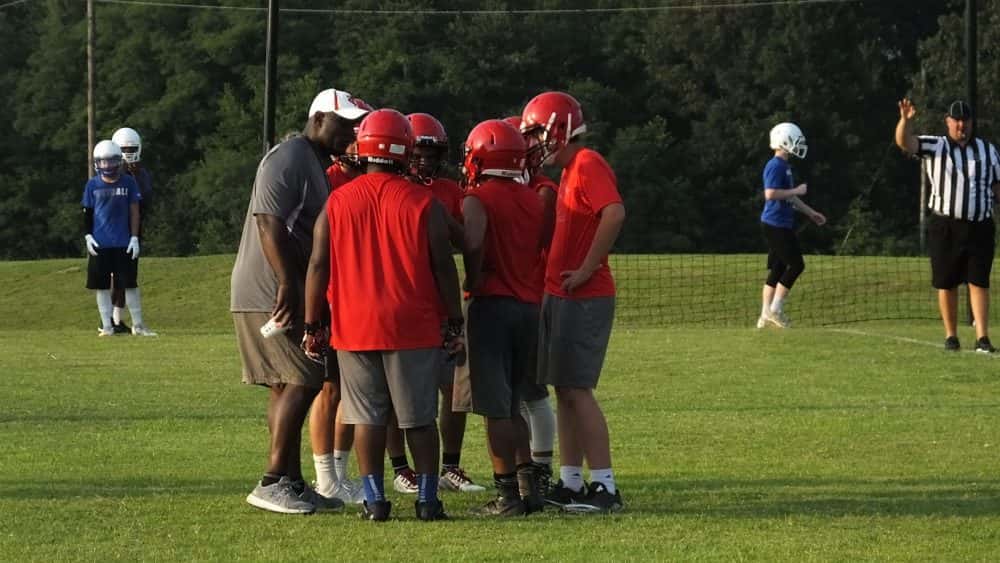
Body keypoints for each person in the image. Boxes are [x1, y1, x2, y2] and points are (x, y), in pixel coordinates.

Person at [302, 108, 463, 522]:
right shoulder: (423, 202)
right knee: (419, 420)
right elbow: (444, 266)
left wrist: (312, 322)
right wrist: (455, 319)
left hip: (354, 326)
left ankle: (375, 500)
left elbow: (318, 265)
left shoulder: (338, 200)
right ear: (405, 148)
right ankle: (427, 500)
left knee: (367, 419)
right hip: (412, 325)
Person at [230, 88, 367, 514]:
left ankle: (289, 479)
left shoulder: (313, 162)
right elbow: (268, 222)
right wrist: (289, 283)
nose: (352, 133)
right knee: (304, 378)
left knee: (288, 383)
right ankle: (273, 480)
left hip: (278, 286)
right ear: (319, 119)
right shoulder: (290, 155)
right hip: (272, 288)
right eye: (344, 123)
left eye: (356, 126)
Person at [520, 91, 625, 513]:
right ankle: (571, 480)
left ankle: (605, 486)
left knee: (578, 390)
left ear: (557, 129)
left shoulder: (586, 162)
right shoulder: (570, 169)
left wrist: (586, 268)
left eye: (535, 134)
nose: (532, 143)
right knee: (564, 389)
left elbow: (614, 212)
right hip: (562, 293)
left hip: (583, 295)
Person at [381, 112, 484, 496]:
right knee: (395, 393)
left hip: (438, 303)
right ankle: (400, 467)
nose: (424, 160)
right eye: (418, 153)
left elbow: (465, 241)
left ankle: (450, 465)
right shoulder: (392, 189)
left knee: (453, 388)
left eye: (431, 153)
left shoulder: (448, 191)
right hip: (403, 301)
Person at [461, 119, 546, 516]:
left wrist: (472, 277)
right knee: (514, 404)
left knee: (495, 409)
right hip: (529, 307)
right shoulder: (534, 198)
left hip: (493, 306)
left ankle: (507, 494)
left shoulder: (478, 198)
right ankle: (529, 486)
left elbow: (474, 243)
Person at [895, 98, 1000, 352]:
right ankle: (951, 336)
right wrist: (905, 121)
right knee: (946, 281)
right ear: (948, 122)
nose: (961, 125)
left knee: (979, 281)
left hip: (980, 225)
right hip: (946, 225)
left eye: (966, 121)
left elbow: (997, 186)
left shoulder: (988, 150)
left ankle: (982, 337)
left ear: (972, 123)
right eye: (957, 120)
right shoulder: (936, 146)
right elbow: (905, 142)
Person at [503, 115, 558, 494]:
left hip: (531, 296)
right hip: (518, 295)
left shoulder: (541, 191)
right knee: (518, 397)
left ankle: (540, 466)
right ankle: (531, 466)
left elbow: (533, 243)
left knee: (532, 393)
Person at [756, 122, 827, 329]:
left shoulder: (785, 166)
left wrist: (811, 213)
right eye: (795, 140)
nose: (798, 144)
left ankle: (764, 315)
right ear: (784, 141)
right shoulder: (775, 165)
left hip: (781, 223)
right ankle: (775, 310)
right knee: (797, 265)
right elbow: (770, 194)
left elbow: (790, 198)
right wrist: (796, 190)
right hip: (775, 224)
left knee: (778, 267)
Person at [82, 140, 143, 337]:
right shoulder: (92, 185)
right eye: (103, 161)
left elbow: (135, 212)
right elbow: (87, 212)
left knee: (129, 283)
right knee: (101, 286)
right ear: (97, 162)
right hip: (100, 243)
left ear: (119, 161)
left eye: (111, 161)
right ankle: (107, 326)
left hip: (124, 243)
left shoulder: (128, 182)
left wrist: (134, 237)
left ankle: (138, 326)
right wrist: (88, 235)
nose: (107, 165)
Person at [108, 127, 156, 336]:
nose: (128, 153)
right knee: (118, 277)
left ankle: (116, 320)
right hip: (114, 232)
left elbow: (146, 200)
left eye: (131, 149)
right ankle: (112, 321)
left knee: (127, 276)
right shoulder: (110, 173)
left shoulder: (141, 173)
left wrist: (135, 175)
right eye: (124, 149)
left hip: (133, 231)